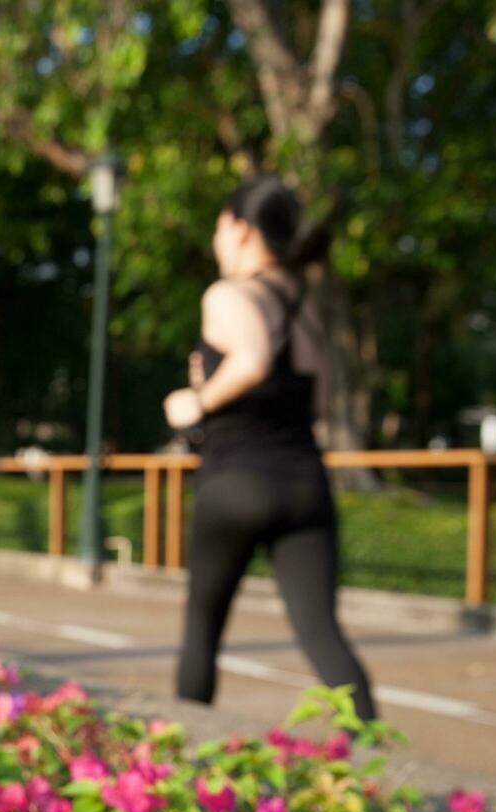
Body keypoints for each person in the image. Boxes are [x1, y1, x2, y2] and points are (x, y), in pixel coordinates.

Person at [161, 176, 377, 721]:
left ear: (239, 228)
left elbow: (253, 359)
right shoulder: (305, 305)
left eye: (218, 226)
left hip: (236, 479)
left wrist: (197, 400)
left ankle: (178, 765)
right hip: (304, 482)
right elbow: (323, 401)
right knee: (323, 635)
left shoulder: (229, 293)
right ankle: (379, 766)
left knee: (202, 629)